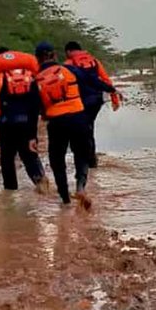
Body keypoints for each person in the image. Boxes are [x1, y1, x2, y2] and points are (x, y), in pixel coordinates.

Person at [35, 42, 115, 208]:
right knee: (81, 154)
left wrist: (30, 135)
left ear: (37, 59)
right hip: (79, 118)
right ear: (54, 55)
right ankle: (80, 187)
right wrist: (111, 89)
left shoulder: (36, 79)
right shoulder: (69, 70)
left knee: (57, 160)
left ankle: (65, 200)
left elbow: (34, 107)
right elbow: (92, 80)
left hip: (56, 122)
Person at [0, 47, 49, 192]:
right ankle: (43, 186)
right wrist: (33, 135)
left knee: (7, 160)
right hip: (27, 124)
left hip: (7, 124)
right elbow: (36, 105)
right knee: (30, 157)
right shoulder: (29, 76)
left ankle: (9, 194)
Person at [64, 41, 119, 168]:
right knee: (89, 128)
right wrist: (114, 98)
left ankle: (87, 162)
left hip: (80, 102)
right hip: (96, 100)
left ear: (68, 52)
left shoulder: (68, 64)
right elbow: (106, 79)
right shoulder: (94, 61)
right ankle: (91, 161)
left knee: (82, 130)